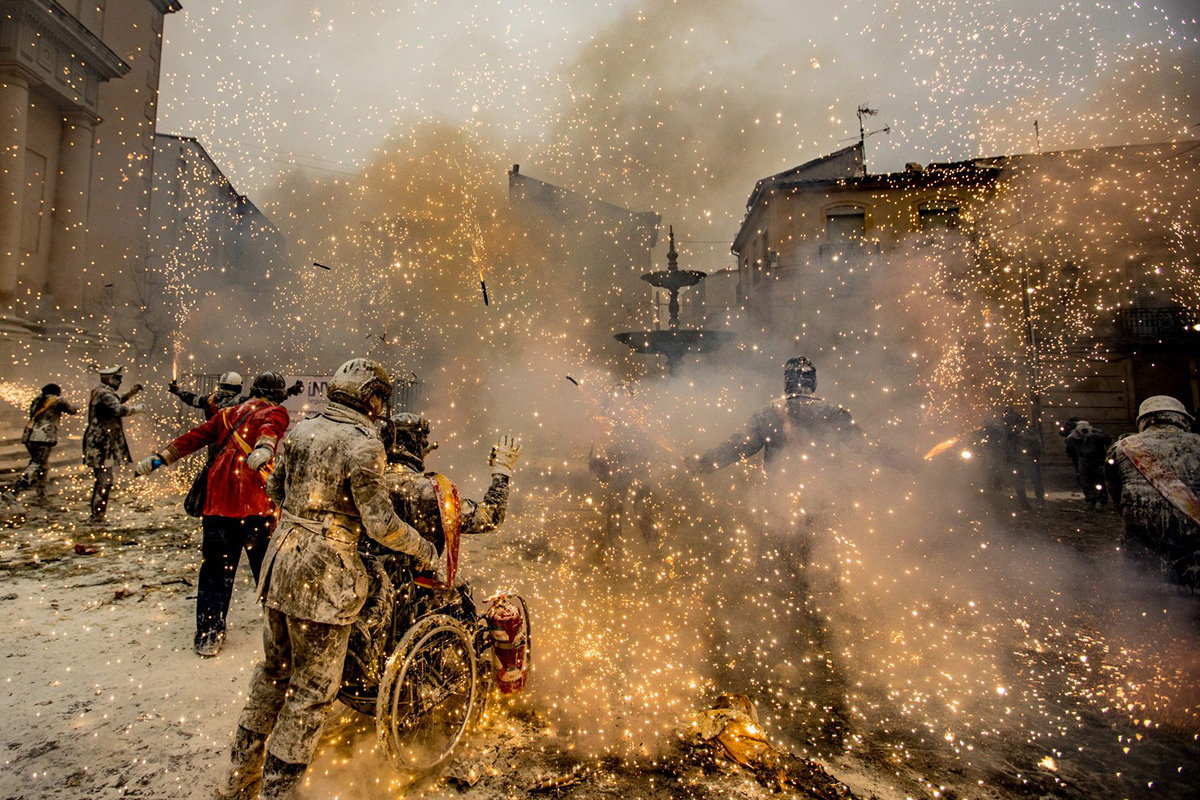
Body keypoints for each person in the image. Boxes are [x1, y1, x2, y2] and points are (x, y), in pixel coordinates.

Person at [215, 358, 437, 800]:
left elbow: (276, 491)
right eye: (379, 399)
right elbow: (380, 525)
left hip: (280, 568)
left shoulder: (300, 431)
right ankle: (278, 794)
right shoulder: (364, 444)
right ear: (371, 397)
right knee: (310, 692)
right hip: (326, 579)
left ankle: (238, 780)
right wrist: (423, 548)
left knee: (272, 674)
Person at [136, 372, 291, 656]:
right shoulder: (275, 411)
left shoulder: (227, 415)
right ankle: (281, 633)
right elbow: (272, 427)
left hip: (218, 504)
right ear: (277, 395)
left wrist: (159, 459)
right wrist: (265, 447)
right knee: (268, 572)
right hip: (255, 505)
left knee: (216, 570)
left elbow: (192, 438)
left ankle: (209, 633)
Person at [1104, 395, 1200, 588]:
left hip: (1141, 524)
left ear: (1144, 421)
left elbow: (1114, 492)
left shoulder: (1122, 447)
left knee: (1142, 583)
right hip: (1194, 525)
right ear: (1182, 419)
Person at [589, 385, 660, 558]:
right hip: (617, 469)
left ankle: (654, 549)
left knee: (642, 509)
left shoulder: (639, 417)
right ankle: (616, 552)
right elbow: (598, 444)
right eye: (616, 394)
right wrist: (596, 463)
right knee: (614, 509)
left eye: (623, 394)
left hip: (639, 468)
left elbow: (650, 442)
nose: (619, 397)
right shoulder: (606, 418)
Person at [82, 366, 143, 523]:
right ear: (109, 379)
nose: (120, 382)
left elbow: (116, 400)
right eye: (118, 379)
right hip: (101, 443)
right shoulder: (105, 394)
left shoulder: (101, 392)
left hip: (100, 441)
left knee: (104, 479)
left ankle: (97, 515)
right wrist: (137, 409)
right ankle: (97, 517)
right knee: (105, 480)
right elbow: (118, 409)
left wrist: (131, 393)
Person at [7, 384, 77, 503]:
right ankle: (14, 491)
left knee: (43, 466)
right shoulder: (58, 400)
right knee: (36, 464)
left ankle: (42, 495)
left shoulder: (37, 399)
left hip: (30, 435)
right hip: (43, 437)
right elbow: (72, 410)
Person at [1064, 420, 1112, 510]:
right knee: (1085, 482)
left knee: (1099, 481)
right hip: (1084, 461)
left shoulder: (1096, 433)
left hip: (1098, 461)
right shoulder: (1074, 436)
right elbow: (1069, 447)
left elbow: (1107, 440)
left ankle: (1100, 501)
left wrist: (1095, 437)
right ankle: (1090, 500)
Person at [170, 371, 243, 420]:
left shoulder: (209, 399)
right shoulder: (240, 402)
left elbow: (191, 399)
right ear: (238, 387)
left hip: (211, 439)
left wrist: (177, 390)